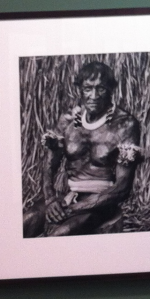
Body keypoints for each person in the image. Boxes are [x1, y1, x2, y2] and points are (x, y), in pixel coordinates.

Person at [23, 61, 142, 237]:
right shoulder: (67, 121)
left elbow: (122, 188)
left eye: (100, 88)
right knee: (27, 221)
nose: (94, 96)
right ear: (79, 89)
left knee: (60, 234)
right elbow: (49, 164)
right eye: (88, 88)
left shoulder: (125, 125)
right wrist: (50, 200)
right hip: (68, 196)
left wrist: (74, 209)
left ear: (111, 89)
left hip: (102, 203)